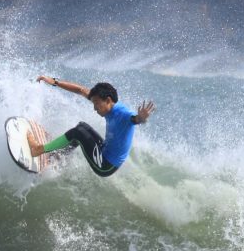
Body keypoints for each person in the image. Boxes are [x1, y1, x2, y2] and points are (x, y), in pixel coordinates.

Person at [27, 76, 156, 177]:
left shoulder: (123, 115)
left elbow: (135, 120)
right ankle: (58, 157)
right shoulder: (108, 106)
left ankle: (38, 150)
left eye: (96, 104)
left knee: (78, 133)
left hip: (105, 166)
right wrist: (54, 82)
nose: (94, 108)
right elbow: (81, 90)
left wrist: (142, 117)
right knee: (82, 126)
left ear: (108, 100)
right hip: (104, 150)